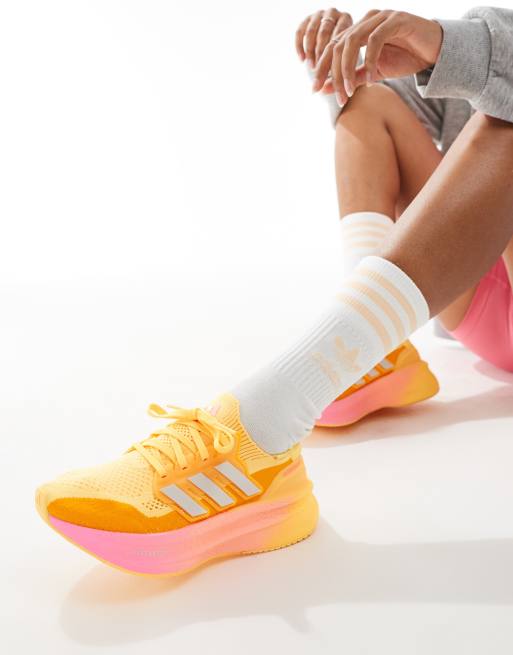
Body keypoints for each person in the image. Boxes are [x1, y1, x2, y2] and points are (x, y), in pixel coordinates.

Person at [37, 7, 513, 577]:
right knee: (373, 103)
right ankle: (369, 354)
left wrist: (456, 44)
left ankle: (258, 431)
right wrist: (349, 65)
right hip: (480, 285)